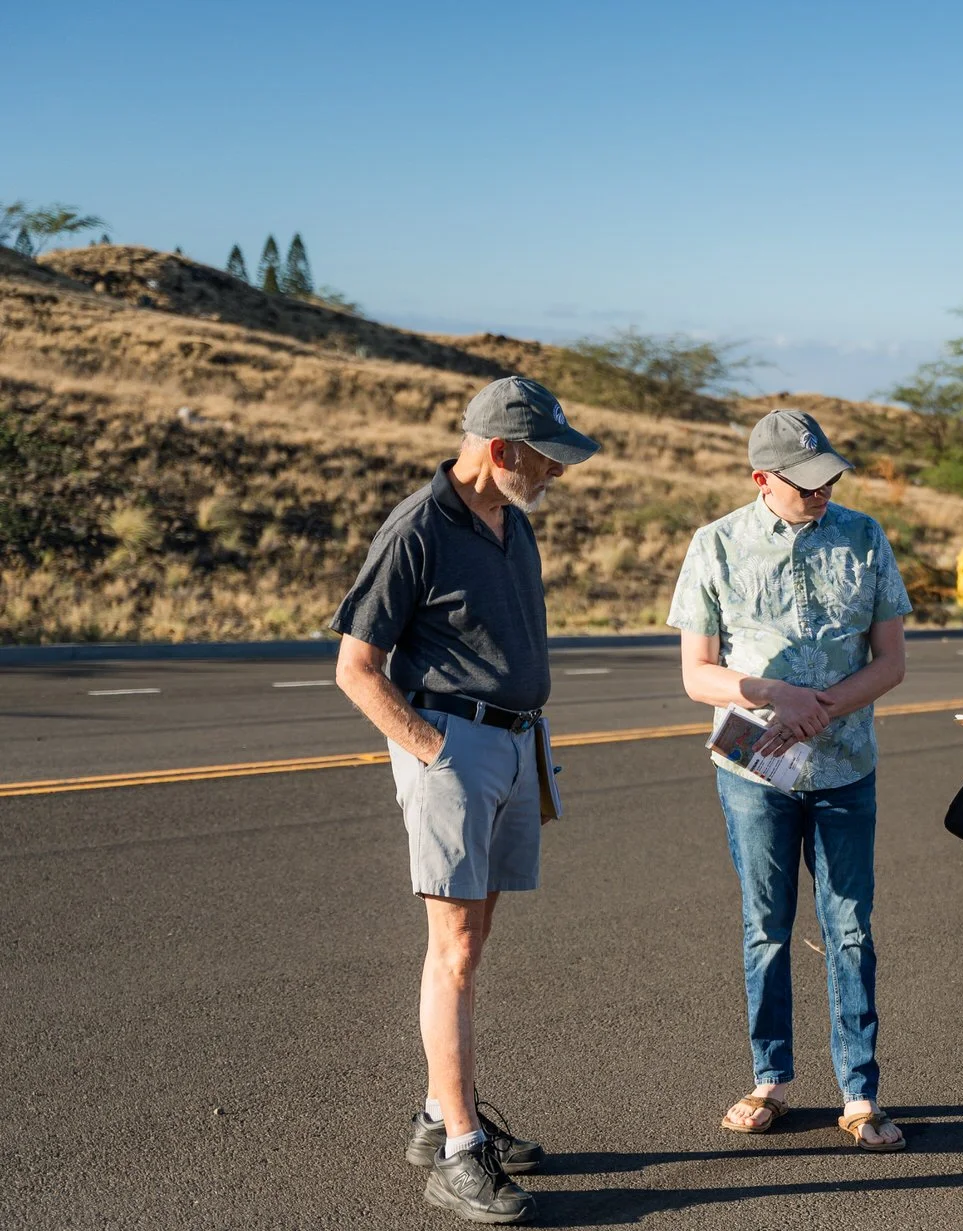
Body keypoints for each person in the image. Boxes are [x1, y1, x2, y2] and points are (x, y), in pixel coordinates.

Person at [331, 376, 599, 1225]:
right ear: (500, 449)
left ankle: (442, 1110)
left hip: (517, 743)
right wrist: (434, 751)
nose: (556, 472)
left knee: (473, 940)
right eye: (546, 457)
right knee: (451, 948)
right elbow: (355, 666)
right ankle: (457, 1153)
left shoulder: (512, 523)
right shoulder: (418, 528)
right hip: (455, 746)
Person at [668, 408, 912, 1151]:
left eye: (828, 476)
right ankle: (770, 1077)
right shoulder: (714, 545)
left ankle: (860, 1090)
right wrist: (774, 695)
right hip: (755, 770)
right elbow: (696, 673)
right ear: (761, 480)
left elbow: (891, 660)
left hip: (846, 767)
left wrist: (823, 707)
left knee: (848, 928)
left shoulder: (865, 536)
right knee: (766, 927)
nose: (821, 490)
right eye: (804, 481)